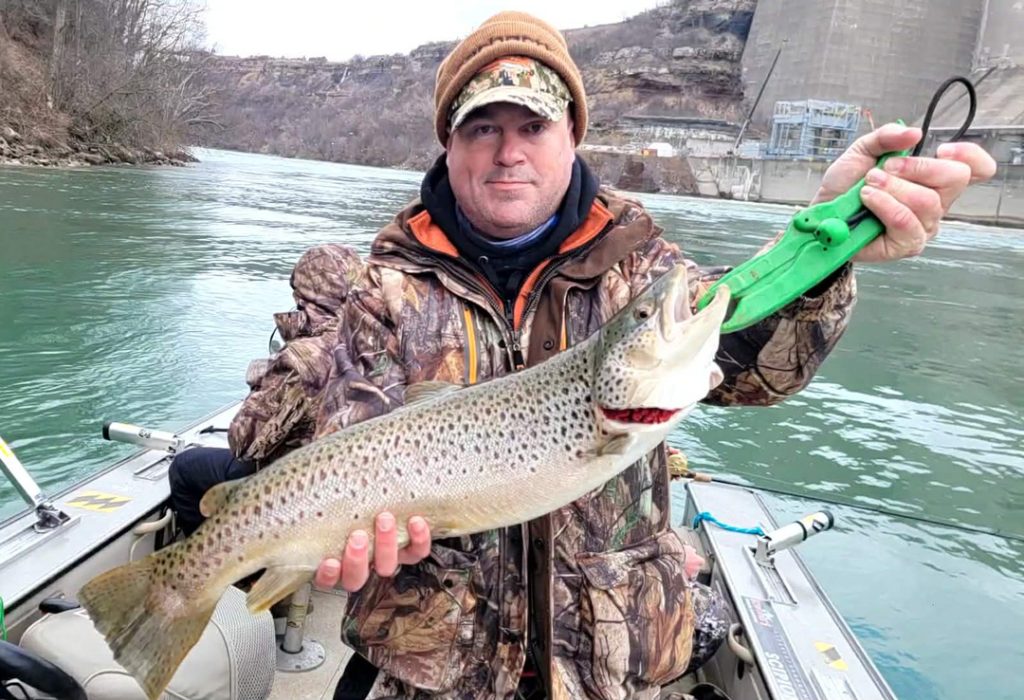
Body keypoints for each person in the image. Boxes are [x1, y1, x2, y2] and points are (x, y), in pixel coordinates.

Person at [167, 11, 996, 700]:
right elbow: (335, 420)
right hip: (427, 671)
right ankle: (173, 591)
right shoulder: (381, 292)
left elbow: (753, 365)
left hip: (609, 668)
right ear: (448, 148)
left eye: (533, 125)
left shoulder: (647, 272)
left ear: (572, 139)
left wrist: (826, 251)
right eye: (482, 127)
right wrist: (343, 531)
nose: (508, 150)